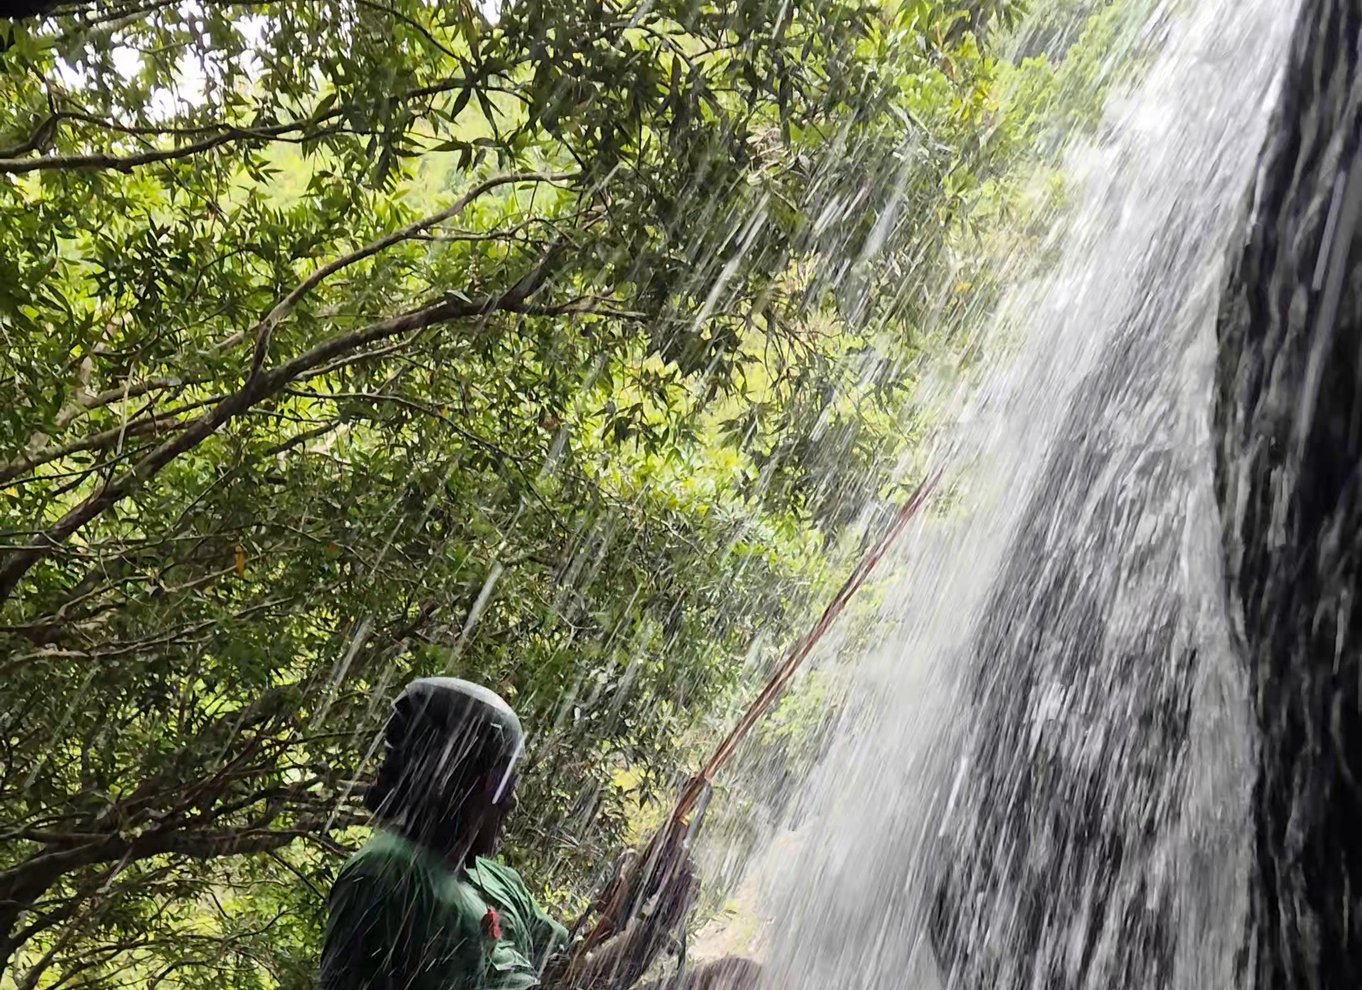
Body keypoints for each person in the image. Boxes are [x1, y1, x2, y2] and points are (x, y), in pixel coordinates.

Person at [319, 677, 762, 990]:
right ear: (450, 779)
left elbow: (574, 970)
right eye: (500, 782)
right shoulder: (387, 875)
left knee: (737, 979)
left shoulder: (495, 881)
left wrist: (650, 914)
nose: (509, 801)